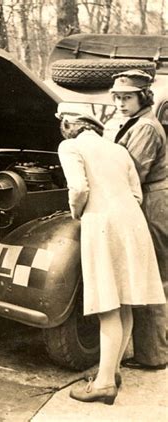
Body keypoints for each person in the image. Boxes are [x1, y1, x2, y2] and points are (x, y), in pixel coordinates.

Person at [55, 107, 165, 404]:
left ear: (68, 124)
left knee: (107, 305)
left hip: (102, 223)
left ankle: (104, 384)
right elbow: (137, 194)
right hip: (133, 224)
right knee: (125, 301)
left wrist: (76, 212)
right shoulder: (118, 149)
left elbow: (78, 187)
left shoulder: (70, 146)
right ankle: (111, 371)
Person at [108, 70, 167, 371]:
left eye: (127, 97)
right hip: (151, 200)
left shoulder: (145, 127)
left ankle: (153, 355)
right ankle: (153, 350)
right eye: (117, 97)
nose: (120, 103)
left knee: (153, 277)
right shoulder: (135, 122)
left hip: (154, 204)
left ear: (143, 97)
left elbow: (133, 172)